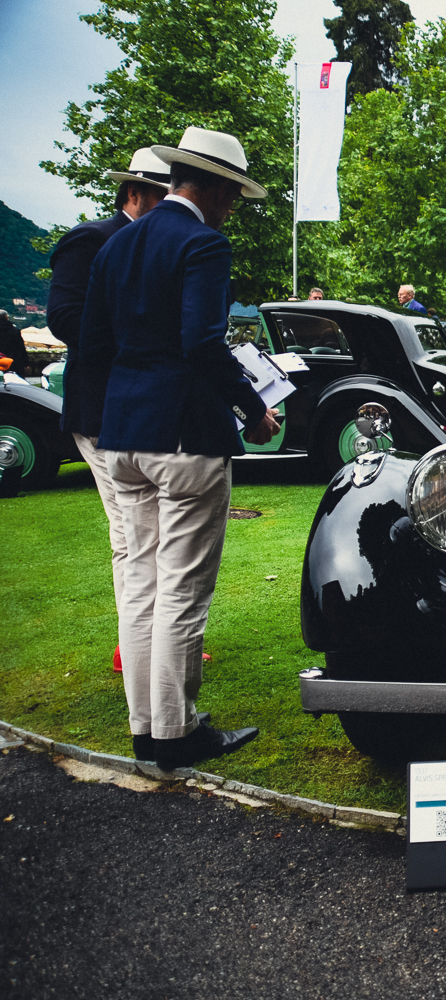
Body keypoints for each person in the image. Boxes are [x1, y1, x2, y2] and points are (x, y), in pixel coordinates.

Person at [75, 127, 278, 770]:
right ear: (214, 189)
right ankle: (175, 732)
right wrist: (253, 407)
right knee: (182, 590)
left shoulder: (118, 243)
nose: (232, 208)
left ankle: (146, 728)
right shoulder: (202, 244)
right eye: (233, 196)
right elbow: (201, 343)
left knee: (140, 582)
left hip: (123, 432)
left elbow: (94, 344)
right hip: (184, 433)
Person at [48, 147, 172, 656]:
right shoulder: (93, 239)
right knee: (130, 533)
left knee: (153, 532)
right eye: (163, 196)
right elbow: (64, 317)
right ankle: (137, 644)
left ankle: (155, 633)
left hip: (145, 409)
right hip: (101, 407)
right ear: (134, 193)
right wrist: (138, 343)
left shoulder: (160, 246)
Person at [0, 310, 28, 377]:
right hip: (14, 361)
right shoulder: (15, 331)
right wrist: (25, 362)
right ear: (6, 317)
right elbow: (21, 348)